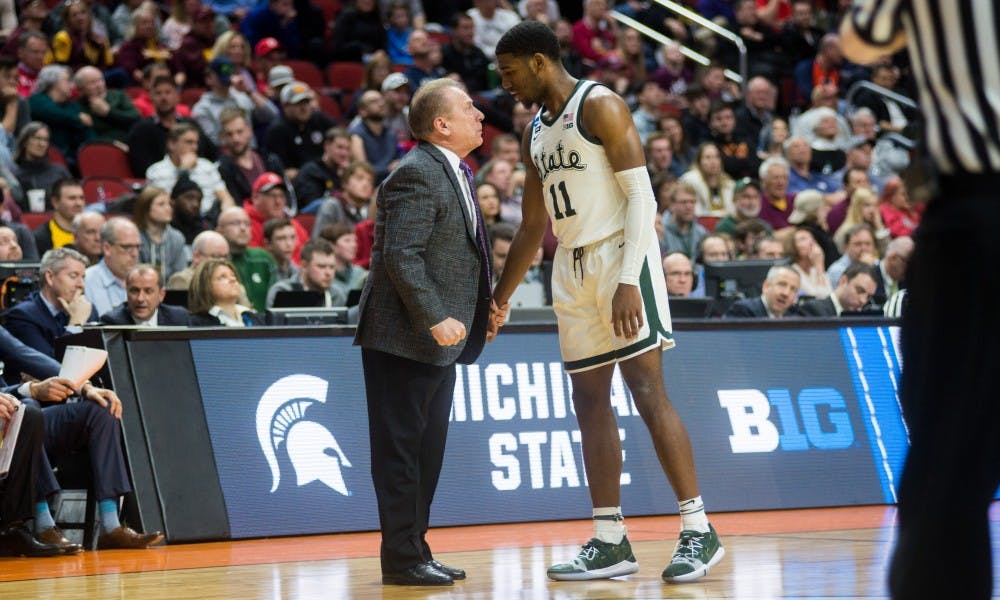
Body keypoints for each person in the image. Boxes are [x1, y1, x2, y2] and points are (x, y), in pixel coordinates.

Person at [493, 21, 723, 583]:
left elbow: (642, 197)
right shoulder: (535, 133)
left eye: (509, 72)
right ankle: (609, 539)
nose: (506, 85)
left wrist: (628, 279)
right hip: (570, 267)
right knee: (589, 400)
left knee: (647, 390)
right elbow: (529, 227)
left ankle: (699, 529)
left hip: (624, 255)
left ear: (540, 61)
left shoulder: (600, 105)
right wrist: (496, 301)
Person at [354, 78, 493, 587]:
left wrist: (485, 309)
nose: (479, 113)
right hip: (404, 338)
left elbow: (460, 256)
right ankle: (401, 560)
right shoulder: (414, 173)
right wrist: (436, 316)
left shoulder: (455, 171)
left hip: (437, 341)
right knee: (401, 452)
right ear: (441, 124)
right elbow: (401, 256)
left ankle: (416, 549)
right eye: (468, 107)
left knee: (426, 452)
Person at [4, 248, 99, 360]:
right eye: (73, 276)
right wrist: (75, 325)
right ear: (50, 277)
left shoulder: (87, 310)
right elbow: (47, 366)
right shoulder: (22, 316)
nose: (81, 285)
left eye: (83, 277)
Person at [215, 206, 276, 311]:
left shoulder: (263, 258)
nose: (243, 228)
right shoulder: (213, 260)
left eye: (247, 224)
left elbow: (275, 299)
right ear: (219, 230)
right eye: (235, 223)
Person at [84, 217, 143, 317]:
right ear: (107, 248)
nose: (135, 254)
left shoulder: (145, 280)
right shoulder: (86, 282)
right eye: (127, 247)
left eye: (137, 247)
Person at [265, 237, 345, 308]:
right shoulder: (282, 291)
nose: (328, 273)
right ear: (304, 266)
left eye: (332, 267)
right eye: (321, 266)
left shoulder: (336, 295)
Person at [99, 264, 190, 326]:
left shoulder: (179, 318)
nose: (140, 299)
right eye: (134, 291)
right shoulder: (112, 322)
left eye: (148, 291)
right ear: (126, 292)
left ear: (161, 295)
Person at [187, 258, 265, 326]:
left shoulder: (253, 316)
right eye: (222, 277)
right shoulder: (198, 323)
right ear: (205, 285)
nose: (233, 280)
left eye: (233, 275)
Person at [12, 123, 72, 211]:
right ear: (25, 142)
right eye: (37, 138)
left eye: (45, 140)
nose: (42, 144)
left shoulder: (59, 171)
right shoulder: (15, 176)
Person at [134, 186, 188, 280]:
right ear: (145, 209)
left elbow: (180, 276)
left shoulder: (177, 238)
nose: (168, 208)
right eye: (161, 204)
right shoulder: (134, 237)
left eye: (169, 204)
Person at [798, 262, 877, 317]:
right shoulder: (814, 309)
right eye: (859, 291)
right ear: (843, 281)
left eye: (868, 297)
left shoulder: (863, 319)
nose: (863, 301)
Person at [724, 265, 802, 318]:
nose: (786, 293)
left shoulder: (795, 316)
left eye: (793, 289)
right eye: (782, 284)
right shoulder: (743, 310)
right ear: (766, 286)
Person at [33, 178, 85, 256]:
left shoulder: (94, 232)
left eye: (81, 198)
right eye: (72, 198)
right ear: (55, 202)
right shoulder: (41, 236)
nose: (79, 203)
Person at [319, 223, 368, 301]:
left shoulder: (362, 274)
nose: (354, 245)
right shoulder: (321, 275)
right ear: (331, 245)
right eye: (347, 240)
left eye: (355, 241)